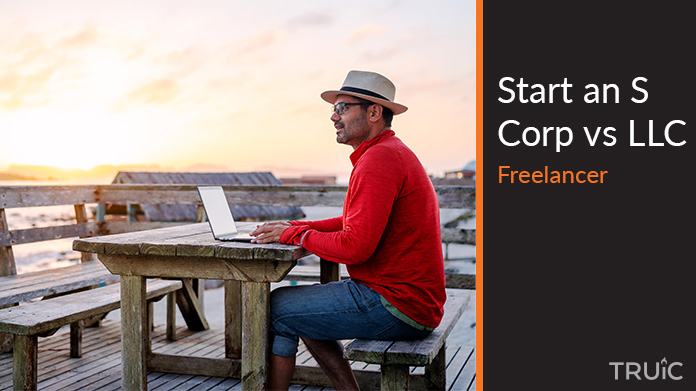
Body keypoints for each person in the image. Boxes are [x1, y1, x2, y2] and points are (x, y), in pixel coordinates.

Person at [251, 70, 446, 390]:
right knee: (302, 306)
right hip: (412, 301)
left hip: (397, 305)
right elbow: (353, 221)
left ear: (373, 113)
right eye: (333, 109)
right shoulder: (386, 153)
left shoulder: (379, 160)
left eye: (343, 108)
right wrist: (298, 226)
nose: (332, 116)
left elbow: (356, 246)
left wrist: (294, 236)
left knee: (277, 308)